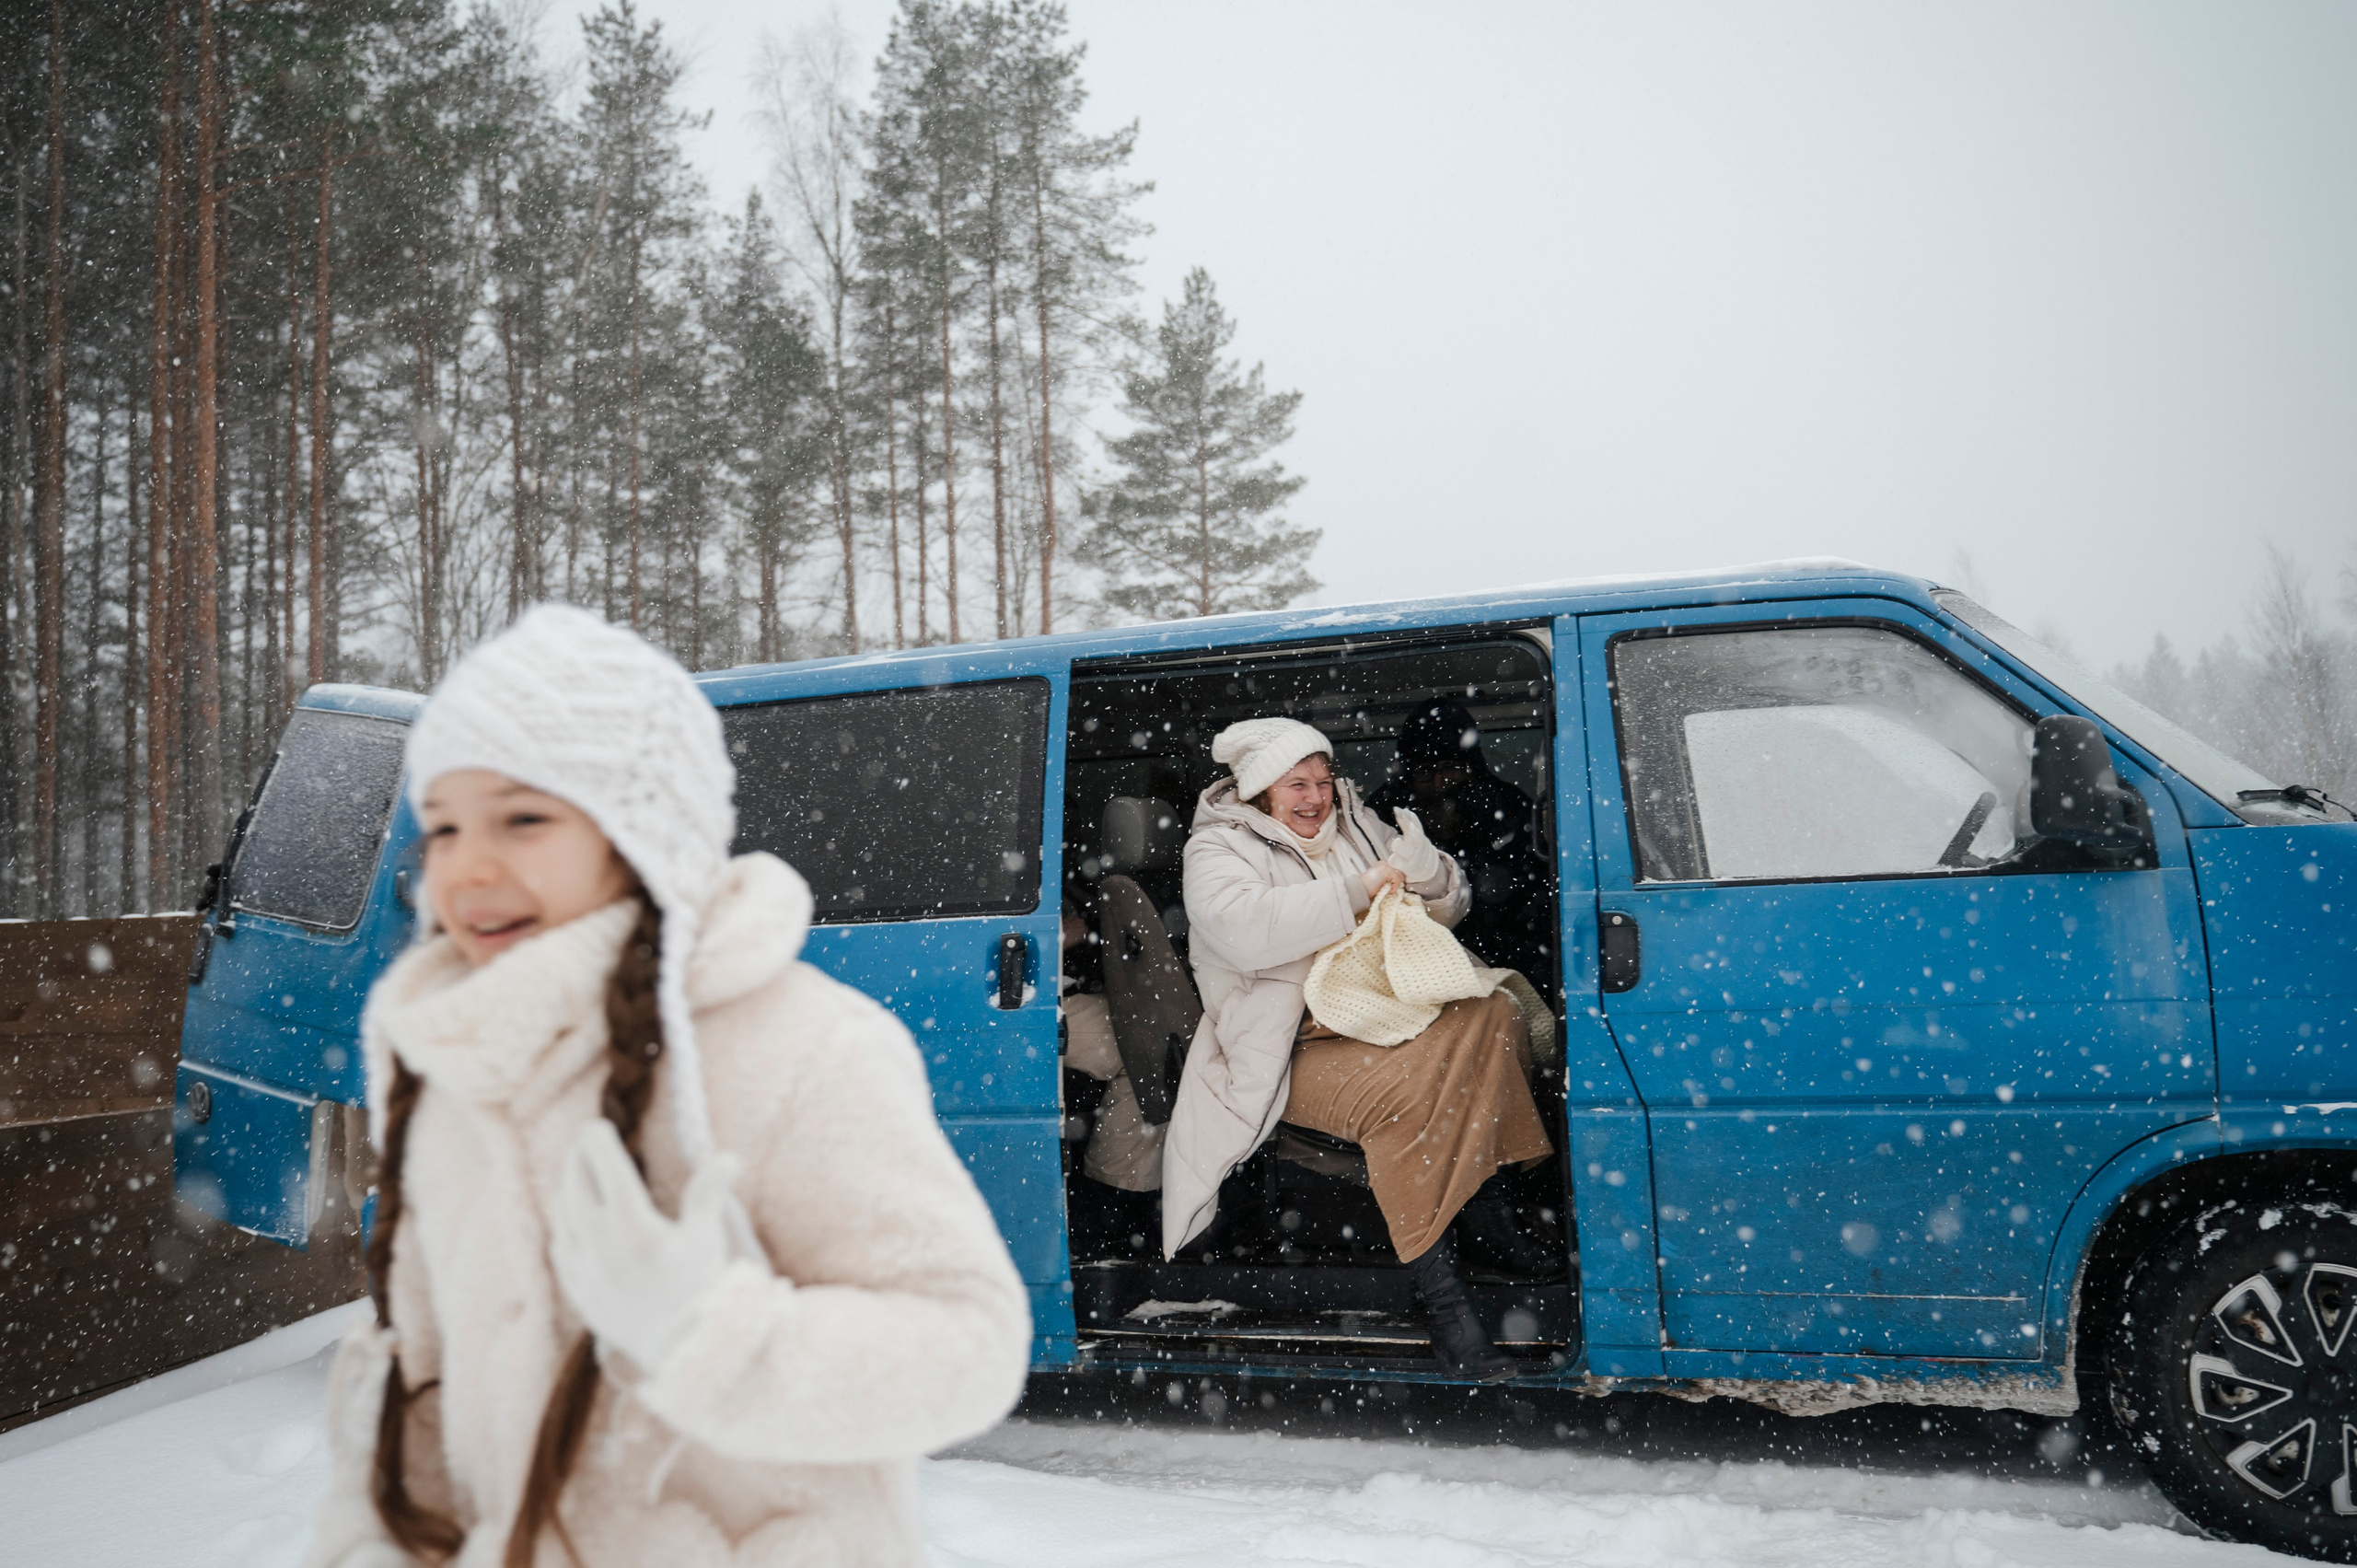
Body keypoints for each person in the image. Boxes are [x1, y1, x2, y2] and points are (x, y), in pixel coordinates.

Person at [305, 606, 1030, 1568]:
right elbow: (427, 1386)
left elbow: (968, 1347)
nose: (468, 866)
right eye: (441, 826)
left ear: (643, 828)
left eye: (524, 818)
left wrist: (713, 1336)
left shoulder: (801, 1047)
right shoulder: (450, 1070)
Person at [1164, 715, 1554, 1381]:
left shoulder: (1354, 819)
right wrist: (1355, 890)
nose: (1315, 797)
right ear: (1261, 792)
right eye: (1297, 784)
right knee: (1413, 1093)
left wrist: (1432, 876)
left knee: (1494, 1011)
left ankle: (1487, 1209)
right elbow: (1246, 929)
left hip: (1385, 1015)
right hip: (1291, 1045)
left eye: (1322, 779)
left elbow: (1443, 908)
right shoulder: (1216, 850)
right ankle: (1446, 1301)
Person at [1367, 697, 1550, 980]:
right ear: (1408, 774)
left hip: (1507, 948)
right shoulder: (1382, 812)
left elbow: (1535, 898)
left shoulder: (1507, 805)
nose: (1440, 782)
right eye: (1425, 772)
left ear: (1471, 765)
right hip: (1411, 958)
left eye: (1451, 767)